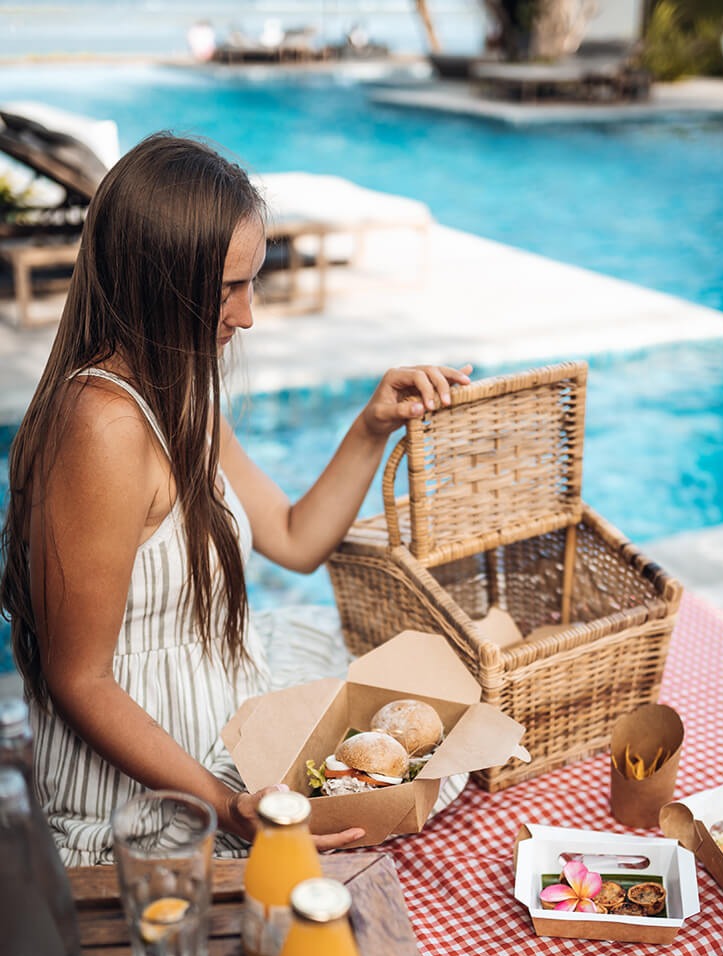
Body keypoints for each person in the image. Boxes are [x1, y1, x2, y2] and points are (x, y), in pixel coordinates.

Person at [0, 132, 471, 866]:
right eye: (230, 288)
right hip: (150, 789)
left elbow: (292, 538)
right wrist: (229, 808)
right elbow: (77, 677)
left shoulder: (177, 387)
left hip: (227, 726)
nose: (247, 314)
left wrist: (372, 423)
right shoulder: (98, 427)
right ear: (162, 281)